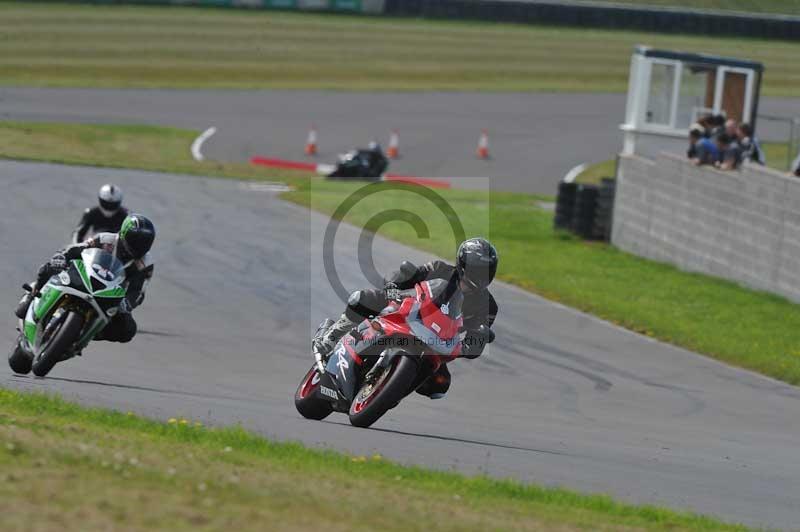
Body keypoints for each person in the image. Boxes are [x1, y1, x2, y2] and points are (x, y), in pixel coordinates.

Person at [313, 237, 499, 399]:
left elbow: (480, 333)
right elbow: (410, 274)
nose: (482, 275)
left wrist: (473, 343)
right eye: (477, 268)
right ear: (463, 264)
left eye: (487, 270)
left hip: (438, 341)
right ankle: (332, 336)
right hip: (410, 314)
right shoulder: (439, 269)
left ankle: (391, 390)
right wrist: (394, 285)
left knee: (439, 386)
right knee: (362, 298)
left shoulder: (488, 305)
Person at [16, 214, 155, 346]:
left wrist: (127, 304)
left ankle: (91, 332)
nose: (139, 246)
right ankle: (32, 295)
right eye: (135, 240)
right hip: (85, 275)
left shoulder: (146, 264)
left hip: (111, 294)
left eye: (144, 243)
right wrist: (62, 257)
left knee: (128, 330)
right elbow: (78, 249)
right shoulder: (106, 239)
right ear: (124, 233)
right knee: (47, 268)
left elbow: (138, 291)